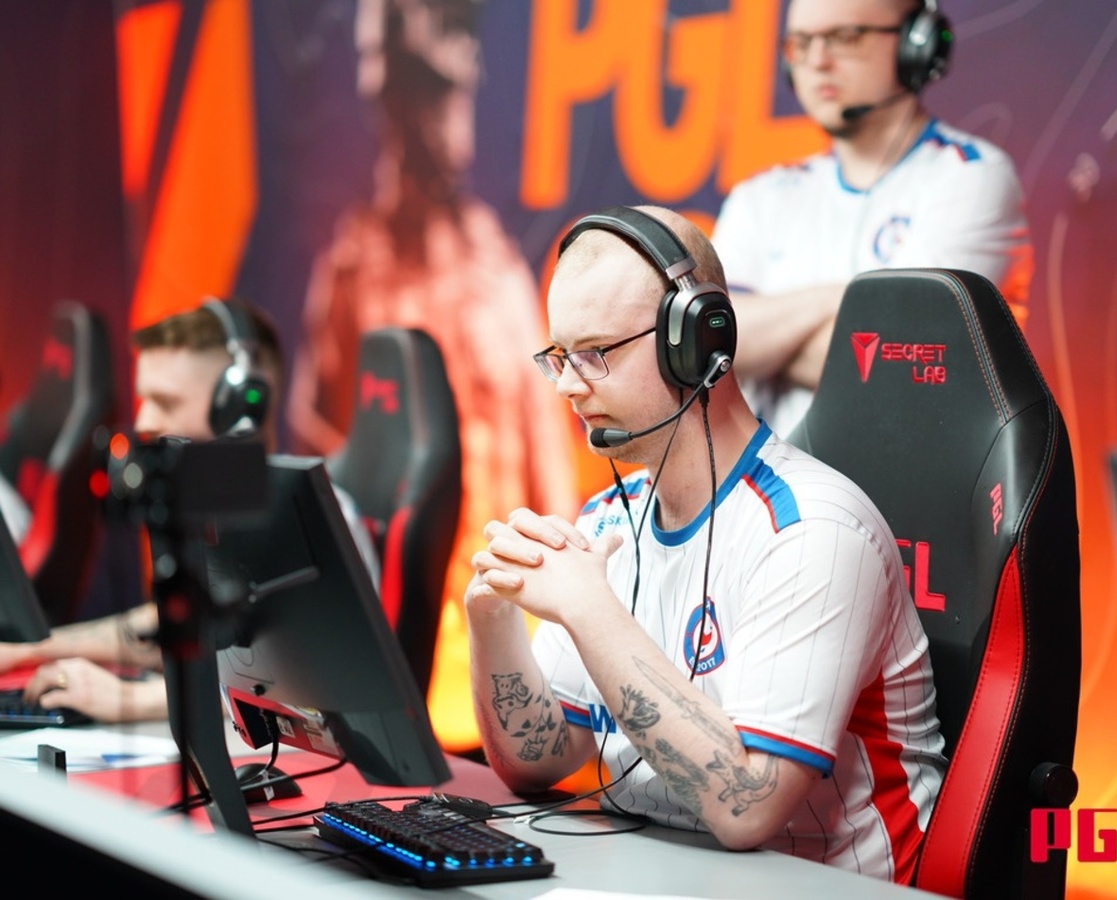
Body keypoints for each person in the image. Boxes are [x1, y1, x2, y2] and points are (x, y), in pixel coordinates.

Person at [465, 204, 946, 882]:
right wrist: (492, 619)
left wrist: (589, 608)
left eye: (596, 354)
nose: (569, 386)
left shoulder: (813, 530)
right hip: (661, 878)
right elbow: (538, 760)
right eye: (559, 358)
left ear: (694, 342)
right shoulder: (607, 523)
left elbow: (747, 806)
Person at [288, 0, 577, 753]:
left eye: (453, 90)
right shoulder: (353, 270)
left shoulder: (498, 272)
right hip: (392, 650)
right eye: (423, 89)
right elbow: (317, 454)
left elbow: (554, 478)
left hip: (508, 657)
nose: (444, 118)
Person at [0, 299, 378, 722]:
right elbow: (163, 625)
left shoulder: (314, 519)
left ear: (241, 406)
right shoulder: (205, 516)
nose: (145, 420)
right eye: (143, 399)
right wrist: (31, 649)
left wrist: (130, 699)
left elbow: (309, 691)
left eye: (165, 401)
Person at [711, 0, 1032, 437]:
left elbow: (904, 361)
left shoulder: (971, 177)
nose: (817, 62)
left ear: (916, 44)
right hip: (767, 479)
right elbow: (713, 338)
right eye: (801, 43)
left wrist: (761, 347)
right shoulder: (759, 197)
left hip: (906, 477)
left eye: (845, 37)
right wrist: (848, 298)